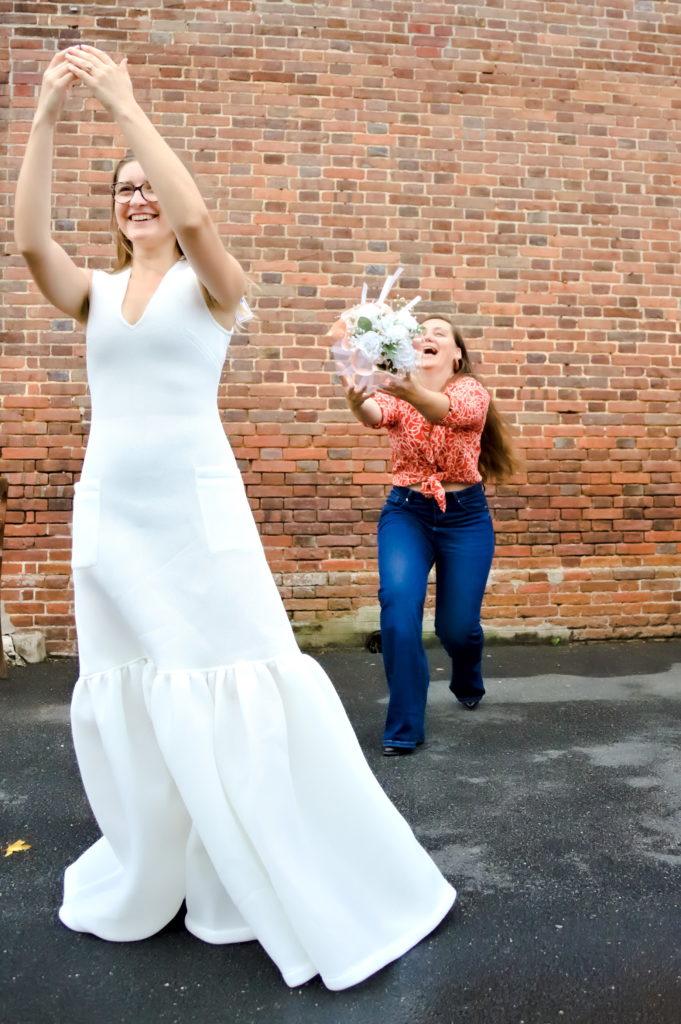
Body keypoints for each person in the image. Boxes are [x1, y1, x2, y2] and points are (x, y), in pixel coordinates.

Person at [14, 46, 456, 990]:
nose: (138, 200)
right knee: (132, 697)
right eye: (123, 190)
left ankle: (271, 870)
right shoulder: (91, 293)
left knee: (227, 678)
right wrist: (48, 117)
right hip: (111, 517)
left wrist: (129, 108)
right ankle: (161, 862)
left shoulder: (213, 287)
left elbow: (198, 216)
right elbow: (28, 248)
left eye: (148, 187)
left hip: (195, 515)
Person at [343, 317, 517, 756]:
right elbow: (377, 414)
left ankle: (467, 673)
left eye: (440, 333)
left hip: (465, 518)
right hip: (407, 513)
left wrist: (408, 388)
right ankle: (404, 727)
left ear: (457, 353)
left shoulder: (470, 390)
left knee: (456, 628)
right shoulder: (398, 390)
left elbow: (449, 412)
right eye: (421, 333)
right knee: (399, 610)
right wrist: (356, 399)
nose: (428, 337)